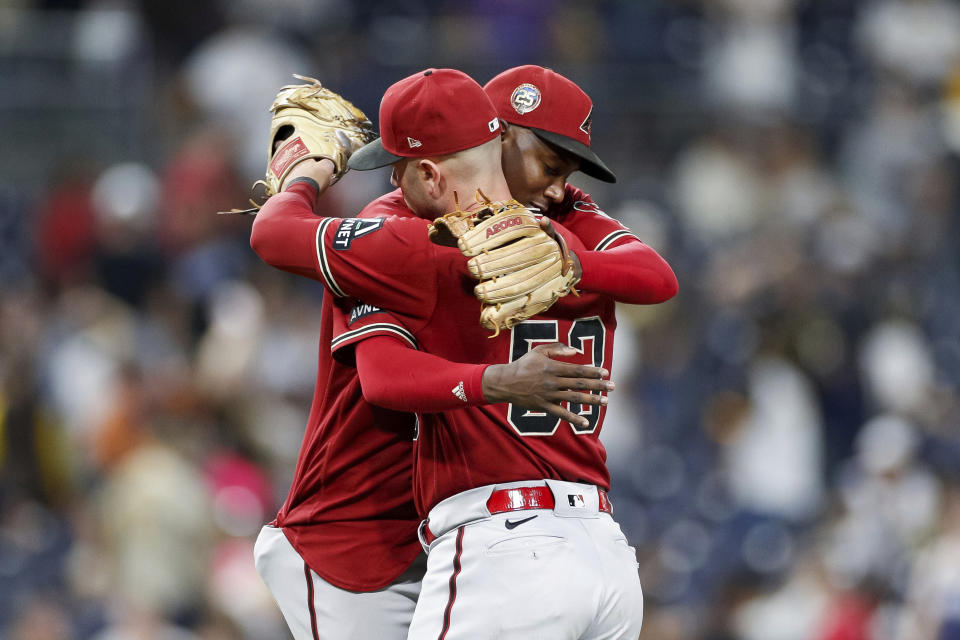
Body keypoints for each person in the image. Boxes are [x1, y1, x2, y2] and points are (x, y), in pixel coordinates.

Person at [251, 67, 676, 638]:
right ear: (494, 139)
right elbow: (381, 376)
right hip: (361, 533)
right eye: (551, 165)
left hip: (485, 536)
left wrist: (307, 172)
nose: (558, 186)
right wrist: (569, 275)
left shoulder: (412, 237)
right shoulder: (562, 229)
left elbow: (274, 234)